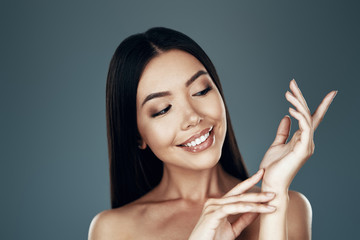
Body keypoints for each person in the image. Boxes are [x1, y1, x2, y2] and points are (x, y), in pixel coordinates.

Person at [88, 27, 336, 240]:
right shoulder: (114, 230)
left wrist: (273, 193)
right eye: (163, 109)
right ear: (137, 135)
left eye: (201, 91)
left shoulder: (290, 207)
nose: (193, 117)